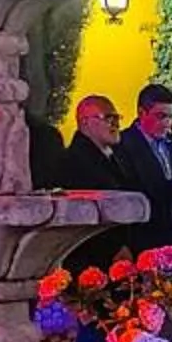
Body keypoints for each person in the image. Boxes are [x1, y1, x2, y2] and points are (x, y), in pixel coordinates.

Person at [113, 84, 172, 262]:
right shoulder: (123, 145)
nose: (167, 123)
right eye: (161, 116)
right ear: (141, 113)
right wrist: (170, 189)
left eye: (171, 117)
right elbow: (128, 192)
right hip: (146, 243)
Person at [61, 94, 144, 272]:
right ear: (85, 122)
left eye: (117, 118)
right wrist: (115, 247)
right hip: (94, 261)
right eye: (108, 118)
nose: (115, 124)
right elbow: (83, 214)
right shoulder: (75, 162)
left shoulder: (116, 156)